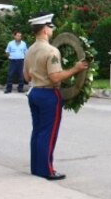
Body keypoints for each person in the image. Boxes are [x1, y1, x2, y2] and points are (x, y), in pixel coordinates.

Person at [22, 13, 88, 180]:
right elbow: (55, 77)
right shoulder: (51, 51)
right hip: (48, 94)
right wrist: (75, 69)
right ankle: (47, 170)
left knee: (37, 131)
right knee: (48, 133)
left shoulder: (30, 50)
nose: (51, 30)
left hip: (34, 92)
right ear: (45, 29)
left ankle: (36, 168)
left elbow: (26, 77)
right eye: (50, 27)